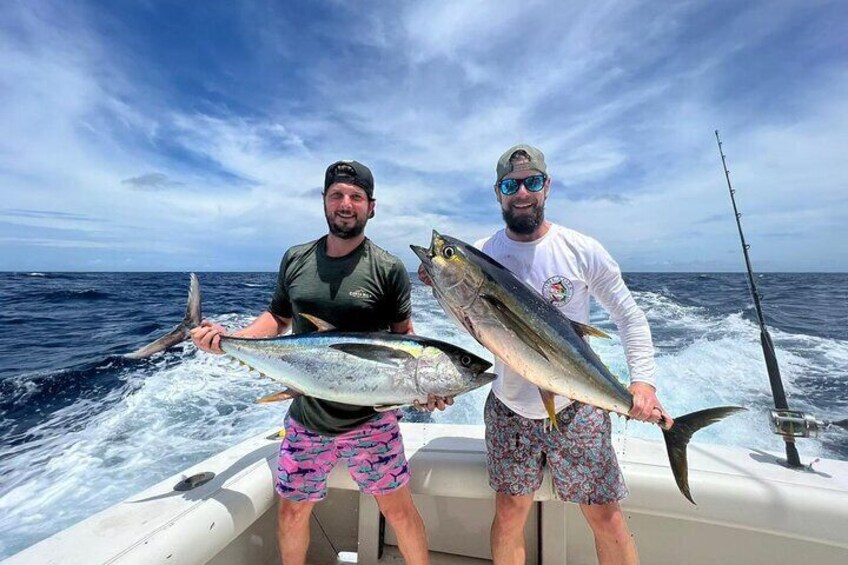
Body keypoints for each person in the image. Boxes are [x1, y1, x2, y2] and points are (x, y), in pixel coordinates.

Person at [419, 145, 671, 565]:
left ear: (547, 187)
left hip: (578, 407)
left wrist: (642, 383)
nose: (522, 192)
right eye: (510, 184)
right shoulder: (483, 253)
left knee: (606, 517)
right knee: (509, 514)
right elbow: (474, 319)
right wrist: (441, 279)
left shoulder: (581, 248)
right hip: (509, 407)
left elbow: (630, 316)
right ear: (497, 192)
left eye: (532, 182)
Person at [192, 160, 450, 565]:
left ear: (372, 206)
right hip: (307, 417)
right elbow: (276, 320)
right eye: (337, 195)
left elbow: (405, 341)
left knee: (398, 510)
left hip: (372, 421)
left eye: (356, 197)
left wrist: (426, 387)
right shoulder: (296, 258)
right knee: (293, 510)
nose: (346, 204)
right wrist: (227, 341)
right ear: (325, 202)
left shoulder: (388, 268)